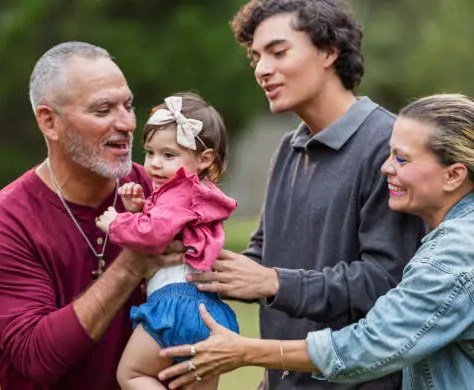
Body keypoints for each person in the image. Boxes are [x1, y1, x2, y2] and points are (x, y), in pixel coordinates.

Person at [179, 1, 425, 389]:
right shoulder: (289, 148)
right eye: (256, 57)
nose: (262, 69)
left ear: (330, 52)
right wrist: (187, 261)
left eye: (278, 52)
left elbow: (387, 281)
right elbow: (263, 256)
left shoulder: (389, 148)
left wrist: (276, 282)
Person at [158, 93, 474, 390]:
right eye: (390, 153)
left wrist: (245, 351)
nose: (385, 167)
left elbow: (369, 345)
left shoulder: (453, 254)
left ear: (454, 176)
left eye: (402, 160)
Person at [0, 41, 182, 390]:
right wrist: (133, 264)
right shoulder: (8, 220)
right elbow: (34, 359)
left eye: (127, 105)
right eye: (103, 110)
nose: (128, 123)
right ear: (49, 122)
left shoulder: (156, 190)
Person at [95, 92, 239, 390]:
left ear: (204, 159)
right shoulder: (198, 193)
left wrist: (117, 222)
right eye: (150, 153)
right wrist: (141, 209)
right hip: (207, 312)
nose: (154, 164)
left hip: (175, 305)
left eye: (168, 155)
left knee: (132, 375)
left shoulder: (178, 192)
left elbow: (154, 235)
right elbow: (169, 229)